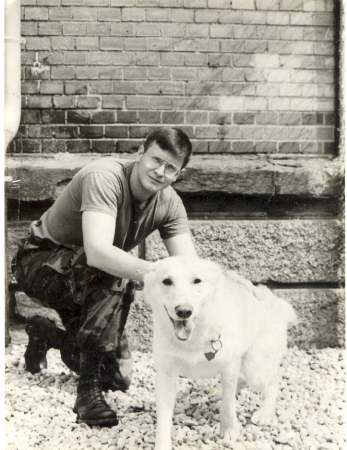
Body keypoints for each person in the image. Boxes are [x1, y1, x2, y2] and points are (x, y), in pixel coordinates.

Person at [11, 127, 198, 428]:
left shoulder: (169, 203)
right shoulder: (105, 177)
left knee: (117, 378)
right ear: (140, 153)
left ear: (179, 174)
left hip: (84, 277)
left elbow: (191, 268)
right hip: (37, 265)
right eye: (155, 160)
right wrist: (158, 274)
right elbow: (99, 252)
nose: (160, 172)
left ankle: (44, 332)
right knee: (117, 266)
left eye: (171, 168)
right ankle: (87, 395)